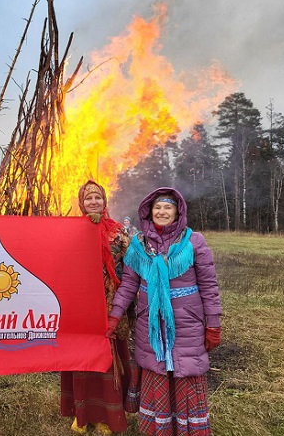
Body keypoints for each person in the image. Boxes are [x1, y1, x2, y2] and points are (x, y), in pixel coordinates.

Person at [106, 187, 222, 436]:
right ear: (148, 212)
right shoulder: (139, 246)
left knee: (184, 371)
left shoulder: (193, 242)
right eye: (157, 207)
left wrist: (213, 324)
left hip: (186, 321)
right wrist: (115, 315)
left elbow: (209, 287)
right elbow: (128, 285)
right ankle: (159, 429)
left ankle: (189, 429)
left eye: (167, 207)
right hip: (151, 321)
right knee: (157, 369)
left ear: (178, 211)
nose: (162, 212)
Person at [60, 179, 133, 436]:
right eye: (89, 198)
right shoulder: (71, 231)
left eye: (98, 198)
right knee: (82, 359)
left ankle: (106, 416)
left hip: (110, 307)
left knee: (107, 361)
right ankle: (82, 415)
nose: (93, 202)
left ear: (104, 202)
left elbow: (132, 268)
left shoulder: (118, 233)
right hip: (80, 308)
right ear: (81, 203)